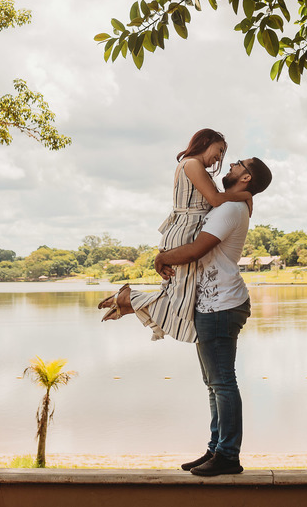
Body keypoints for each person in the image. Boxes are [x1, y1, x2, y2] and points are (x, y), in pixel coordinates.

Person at [155, 156, 272, 477]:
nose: (231, 164)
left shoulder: (231, 209)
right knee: (213, 384)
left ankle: (228, 456)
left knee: (222, 382)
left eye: (238, 164)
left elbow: (196, 250)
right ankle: (216, 448)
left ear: (246, 178)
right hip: (211, 304)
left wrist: (161, 257)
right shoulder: (228, 205)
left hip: (222, 304)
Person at [98, 129, 252, 342]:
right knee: (180, 300)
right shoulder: (192, 164)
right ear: (205, 142)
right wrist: (246, 194)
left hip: (186, 230)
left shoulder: (193, 166)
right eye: (219, 150)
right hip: (186, 232)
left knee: (181, 297)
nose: (220, 157)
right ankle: (129, 300)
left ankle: (129, 302)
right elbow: (215, 199)